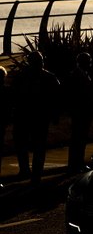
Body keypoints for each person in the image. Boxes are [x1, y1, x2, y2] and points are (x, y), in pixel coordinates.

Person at [11, 51, 61, 183]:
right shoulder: (49, 77)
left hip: (28, 116)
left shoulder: (22, 76)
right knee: (35, 146)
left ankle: (29, 171)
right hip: (35, 117)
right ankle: (33, 173)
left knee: (27, 145)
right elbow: (56, 98)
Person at [66, 52, 93, 172]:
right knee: (79, 139)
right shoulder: (78, 76)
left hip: (81, 112)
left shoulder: (80, 74)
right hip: (81, 112)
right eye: (89, 61)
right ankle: (76, 163)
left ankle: (76, 163)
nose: (90, 64)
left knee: (79, 139)